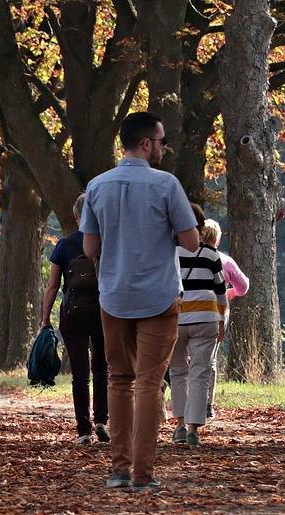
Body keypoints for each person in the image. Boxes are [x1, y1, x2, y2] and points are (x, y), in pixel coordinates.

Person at [81, 111, 200, 491]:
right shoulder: (167, 185)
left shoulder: (97, 186)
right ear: (147, 143)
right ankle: (143, 474)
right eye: (162, 141)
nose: (164, 147)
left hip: (113, 295)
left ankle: (119, 468)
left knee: (118, 379)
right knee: (149, 382)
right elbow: (192, 242)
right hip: (158, 295)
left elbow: (89, 247)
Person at [42, 193, 109, 445]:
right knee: (102, 367)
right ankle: (102, 419)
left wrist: (45, 318)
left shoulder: (64, 245)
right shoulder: (106, 242)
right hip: (103, 311)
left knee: (80, 373)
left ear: (75, 215)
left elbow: (52, 286)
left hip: (73, 313)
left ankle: (83, 429)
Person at [169, 213, 228, 447]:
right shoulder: (212, 254)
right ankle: (194, 428)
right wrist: (222, 321)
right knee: (200, 372)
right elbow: (221, 291)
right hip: (205, 317)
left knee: (177, 372)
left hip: (175, 318)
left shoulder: (171, 252)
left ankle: (180, 425)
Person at [202, 219, 248, 418]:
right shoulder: (225, 261)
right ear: (217, 239)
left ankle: (188, 402)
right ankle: (207, 405)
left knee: (188, 358)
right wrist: (231, 293)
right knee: (210, 360)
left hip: (188, 311)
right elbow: (244, 286)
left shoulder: (186, 256)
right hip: (218, 312)